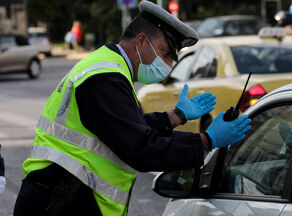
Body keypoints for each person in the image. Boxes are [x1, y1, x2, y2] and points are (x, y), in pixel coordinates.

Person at [13, 1, 251, 215]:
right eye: (165, 52)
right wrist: (206, 140)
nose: (167, 64)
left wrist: (174, 117)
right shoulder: (105, 77)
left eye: (171, 59)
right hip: (59, 202)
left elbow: (118, 128)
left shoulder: (108, 67)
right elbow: (141, 148)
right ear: (140, 41)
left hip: (62, 198)